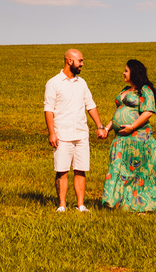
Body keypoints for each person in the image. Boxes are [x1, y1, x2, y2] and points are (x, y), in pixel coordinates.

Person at [43, 48, 107, 212]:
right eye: (80, 61)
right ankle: (62, 205)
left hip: (81, 133)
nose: (82, 64)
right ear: (69, 61)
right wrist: (52, 132)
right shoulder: (54, 83)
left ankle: (80, 205)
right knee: (62, 170)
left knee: (81, 169)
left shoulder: (82, 83)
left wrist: (99, 126)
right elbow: (48, 110)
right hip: (62, 134)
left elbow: (90, 105)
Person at [101, 58, 156, 212]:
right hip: (121, 141)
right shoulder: (125, 90)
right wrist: (107, 128)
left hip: (138, 140)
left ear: (134, 72)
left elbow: (148, 111)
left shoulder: (144, 90)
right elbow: (118, 113)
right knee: (119, 171)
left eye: (126, 70)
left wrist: (132, 126)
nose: (123, 73)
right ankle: (119, 203)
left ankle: (143, 205)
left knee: (139, 173)